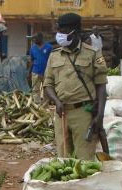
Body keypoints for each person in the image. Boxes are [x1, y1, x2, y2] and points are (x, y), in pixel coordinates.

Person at [44, 13, 108, 160]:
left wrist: (100, 115)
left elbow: (101, 86)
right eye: (59, 31)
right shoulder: (54, 55)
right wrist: (56, 101)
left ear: (76, 31)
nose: (60, 35)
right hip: (61, 114)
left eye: (64, 31)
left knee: (84, 159)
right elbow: (48, 84)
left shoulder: (92, 54)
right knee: (63, 159)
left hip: (83, 113)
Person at [28, 33, 53, 104]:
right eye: (33, 39)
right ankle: (37, 104)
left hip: (46, 72)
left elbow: (52, 60)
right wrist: (29, 72)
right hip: (35, 71)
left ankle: (46, 104)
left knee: (47, 88)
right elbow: (32, 60)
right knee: (35, 89)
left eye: (35, 38)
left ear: (41, 38)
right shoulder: (32, 48)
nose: (34, 40)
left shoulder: (49, 47)